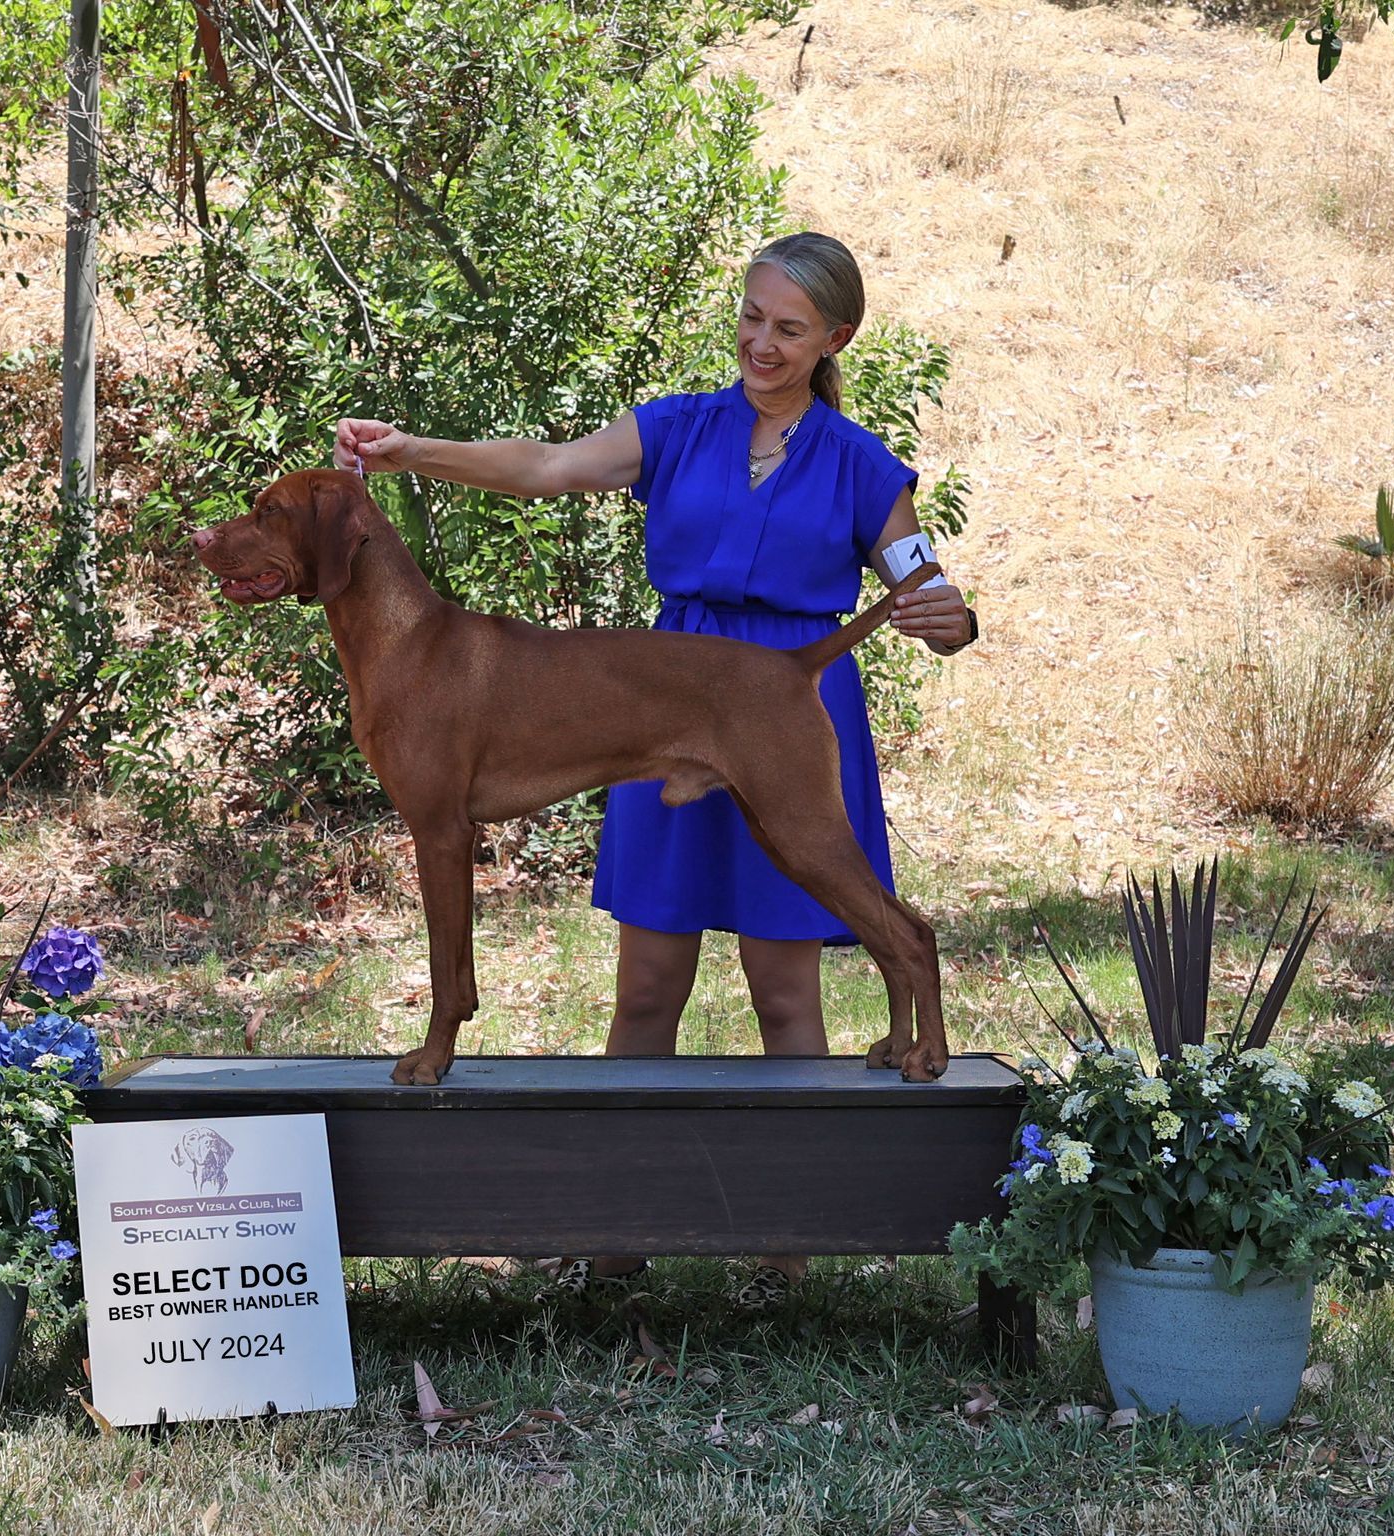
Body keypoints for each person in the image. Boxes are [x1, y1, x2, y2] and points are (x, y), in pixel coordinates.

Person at [333, 231, 976, 1307]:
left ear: (834, 339)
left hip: (782, 700)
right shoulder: (681, 427)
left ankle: (785, 1255)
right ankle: (616, 1239)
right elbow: (546, 468)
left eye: (788, 329)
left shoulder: (863, 465)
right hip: (652, 699)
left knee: (784, 988)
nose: (761, 343)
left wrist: (949, 621)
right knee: (646, 984)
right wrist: (409, 452)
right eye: (752, 317)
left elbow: (928, 590)